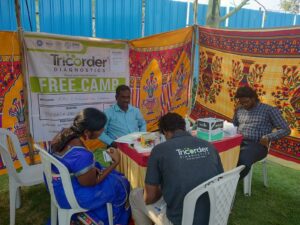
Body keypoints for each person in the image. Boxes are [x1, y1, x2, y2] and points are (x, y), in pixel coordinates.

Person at [129, 113, 224, 225]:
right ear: (184, 127)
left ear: (164, 131)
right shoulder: (209, 146)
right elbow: (220, 180)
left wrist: (163, 188)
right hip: (213, 216)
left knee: (135, 195)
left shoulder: (159, 150)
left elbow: (149, 198)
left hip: (180, 220)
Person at [50, 108, 130, 225]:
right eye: (100, 129)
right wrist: (115, 163)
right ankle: (114, 220)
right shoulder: (82, 155)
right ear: (87, 132)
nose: (103, 131)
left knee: (112, 175)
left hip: (56, 184)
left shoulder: (64, 134)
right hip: (69, 195)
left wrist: (93, 169)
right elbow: (92, 182)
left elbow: (74, 166)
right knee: (121, 184)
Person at [233, 86, 291, 179]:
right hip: (238, 141)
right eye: (241, 102)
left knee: (243, 161)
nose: (244, 105)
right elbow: (234, 125)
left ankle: (231, 184)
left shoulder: (269, 110)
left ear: (253, 98)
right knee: (221, 154)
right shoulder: (239, 109)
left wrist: (268, 137)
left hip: (257, 144)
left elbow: (286, 129)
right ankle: (222, 179)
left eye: (246, 102)